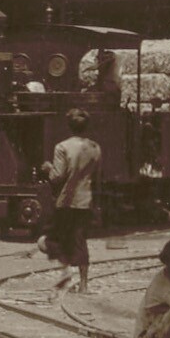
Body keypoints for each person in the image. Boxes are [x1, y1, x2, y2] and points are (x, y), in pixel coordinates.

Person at [42, 108, 101, 293]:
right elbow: (97, 174)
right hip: (86, 200)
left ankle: (66, 272)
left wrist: (48, 168)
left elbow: (57, 176)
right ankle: (84, 285)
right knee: (80, 240)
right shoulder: (95, 147)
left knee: (54, 238)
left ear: (69, 126)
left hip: (66, 200)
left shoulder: (62, 147)